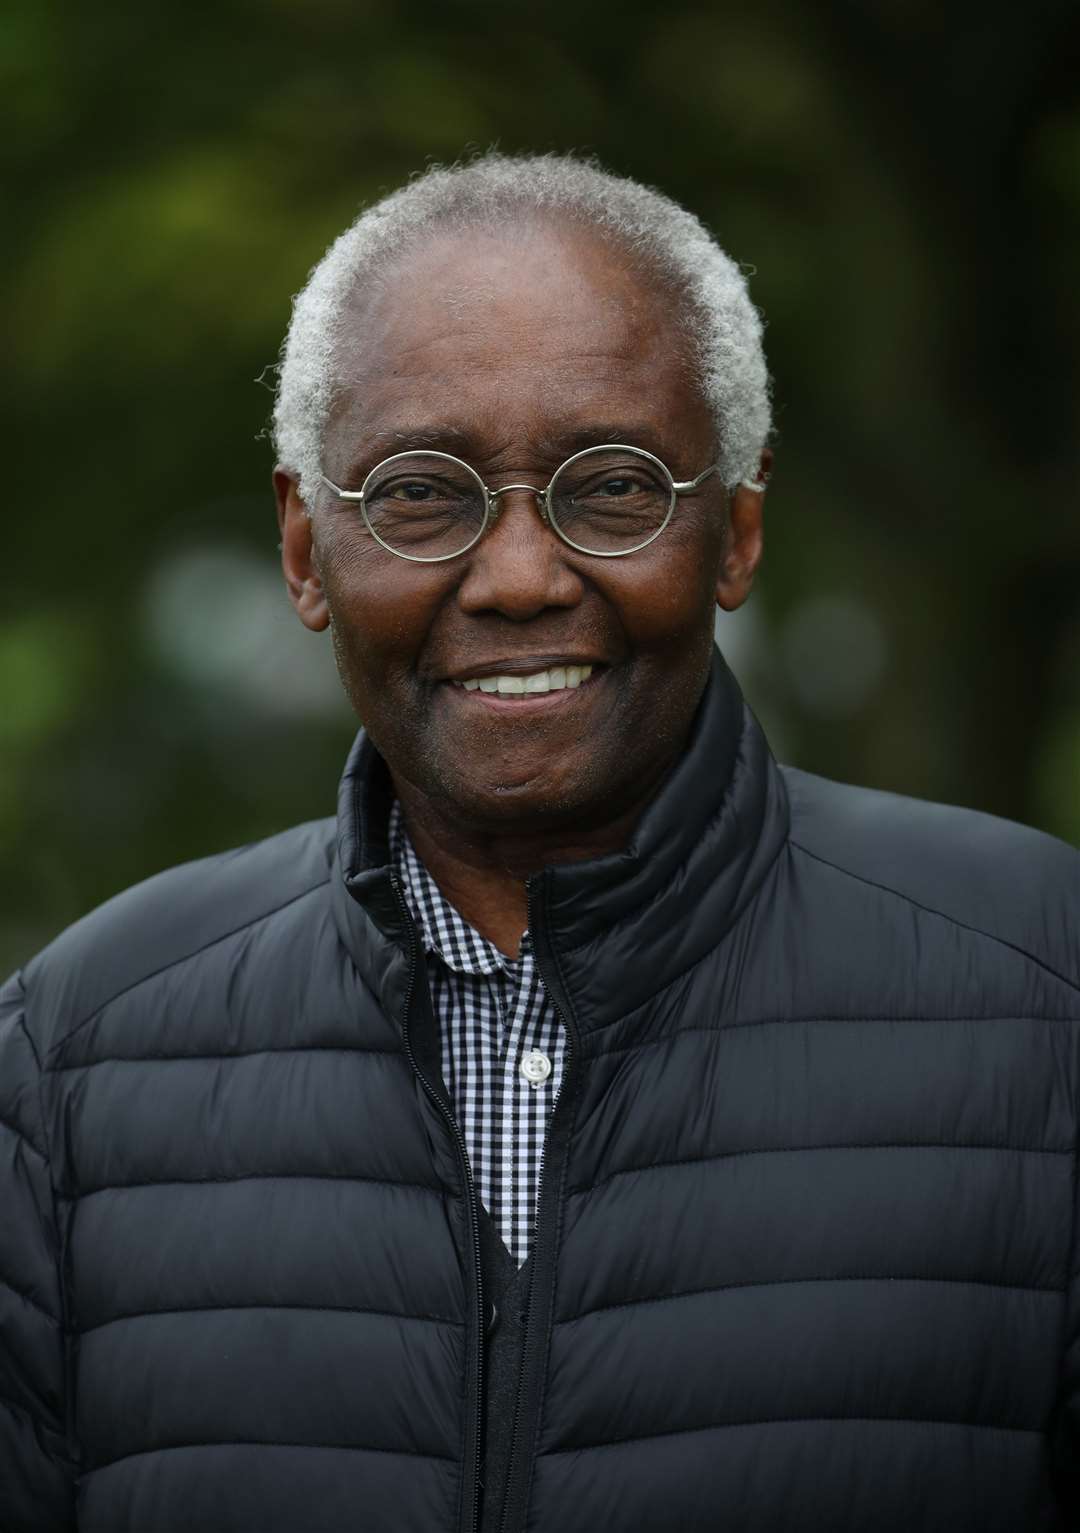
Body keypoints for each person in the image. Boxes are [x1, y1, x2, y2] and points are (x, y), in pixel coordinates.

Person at [1, 152, 1078, 1533]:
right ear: (302, 546)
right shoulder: (75, 1061)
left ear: (736, 531)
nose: (519, 576)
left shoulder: (1046, 998)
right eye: (422, 492)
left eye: (614, 485)